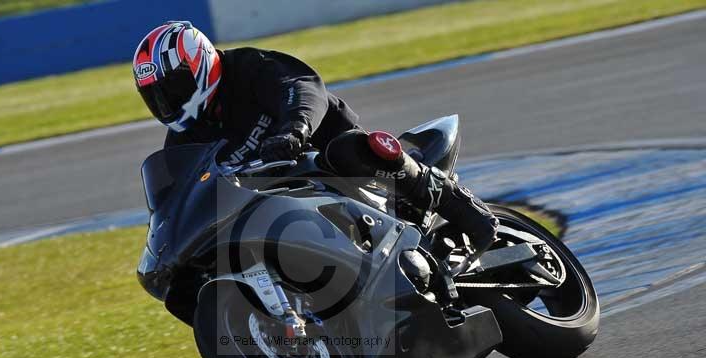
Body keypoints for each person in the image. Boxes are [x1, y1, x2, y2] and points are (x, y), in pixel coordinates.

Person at [133, 21, 498, 253]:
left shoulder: (246, 67)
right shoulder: (183, 140)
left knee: (348, 150)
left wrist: (294, 130)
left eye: (174, 87)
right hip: (273, 194)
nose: (168, 101)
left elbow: (302, 87)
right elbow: (179, 196)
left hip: (321, 153)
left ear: (201, 64)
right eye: (157, 96)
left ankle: (457, 204)